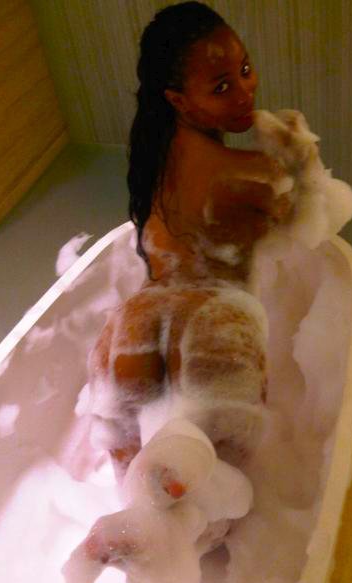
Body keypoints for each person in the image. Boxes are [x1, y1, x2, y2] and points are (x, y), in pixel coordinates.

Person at [87, 1, 295, 487]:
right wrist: (296, 155)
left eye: (245, 70)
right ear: (178, 100)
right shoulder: (258, 176)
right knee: (217, 502)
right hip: (216, 327)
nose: (244, 91)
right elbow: (302, 224)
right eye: (221, 86)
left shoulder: (152, 156)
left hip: (133, 327)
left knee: (136, 499)